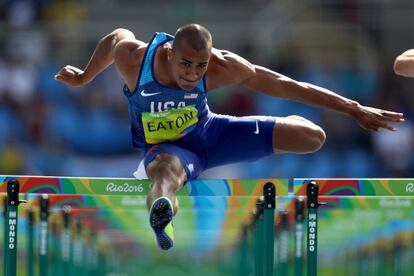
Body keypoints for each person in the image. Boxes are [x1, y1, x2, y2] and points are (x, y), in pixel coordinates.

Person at [55, 24, 404, 250]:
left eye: (200, 66)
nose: (192, 74)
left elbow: (285, 85)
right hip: (169, 150)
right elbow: (116, 36)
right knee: (165, 176)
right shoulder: (136, 60)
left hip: (212, 133)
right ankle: (162, 213)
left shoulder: (222, 66)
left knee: (312, 137)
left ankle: (293, 126)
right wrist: (85, 76)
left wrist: (353, 107)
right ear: (169, 53)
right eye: (185, 64)